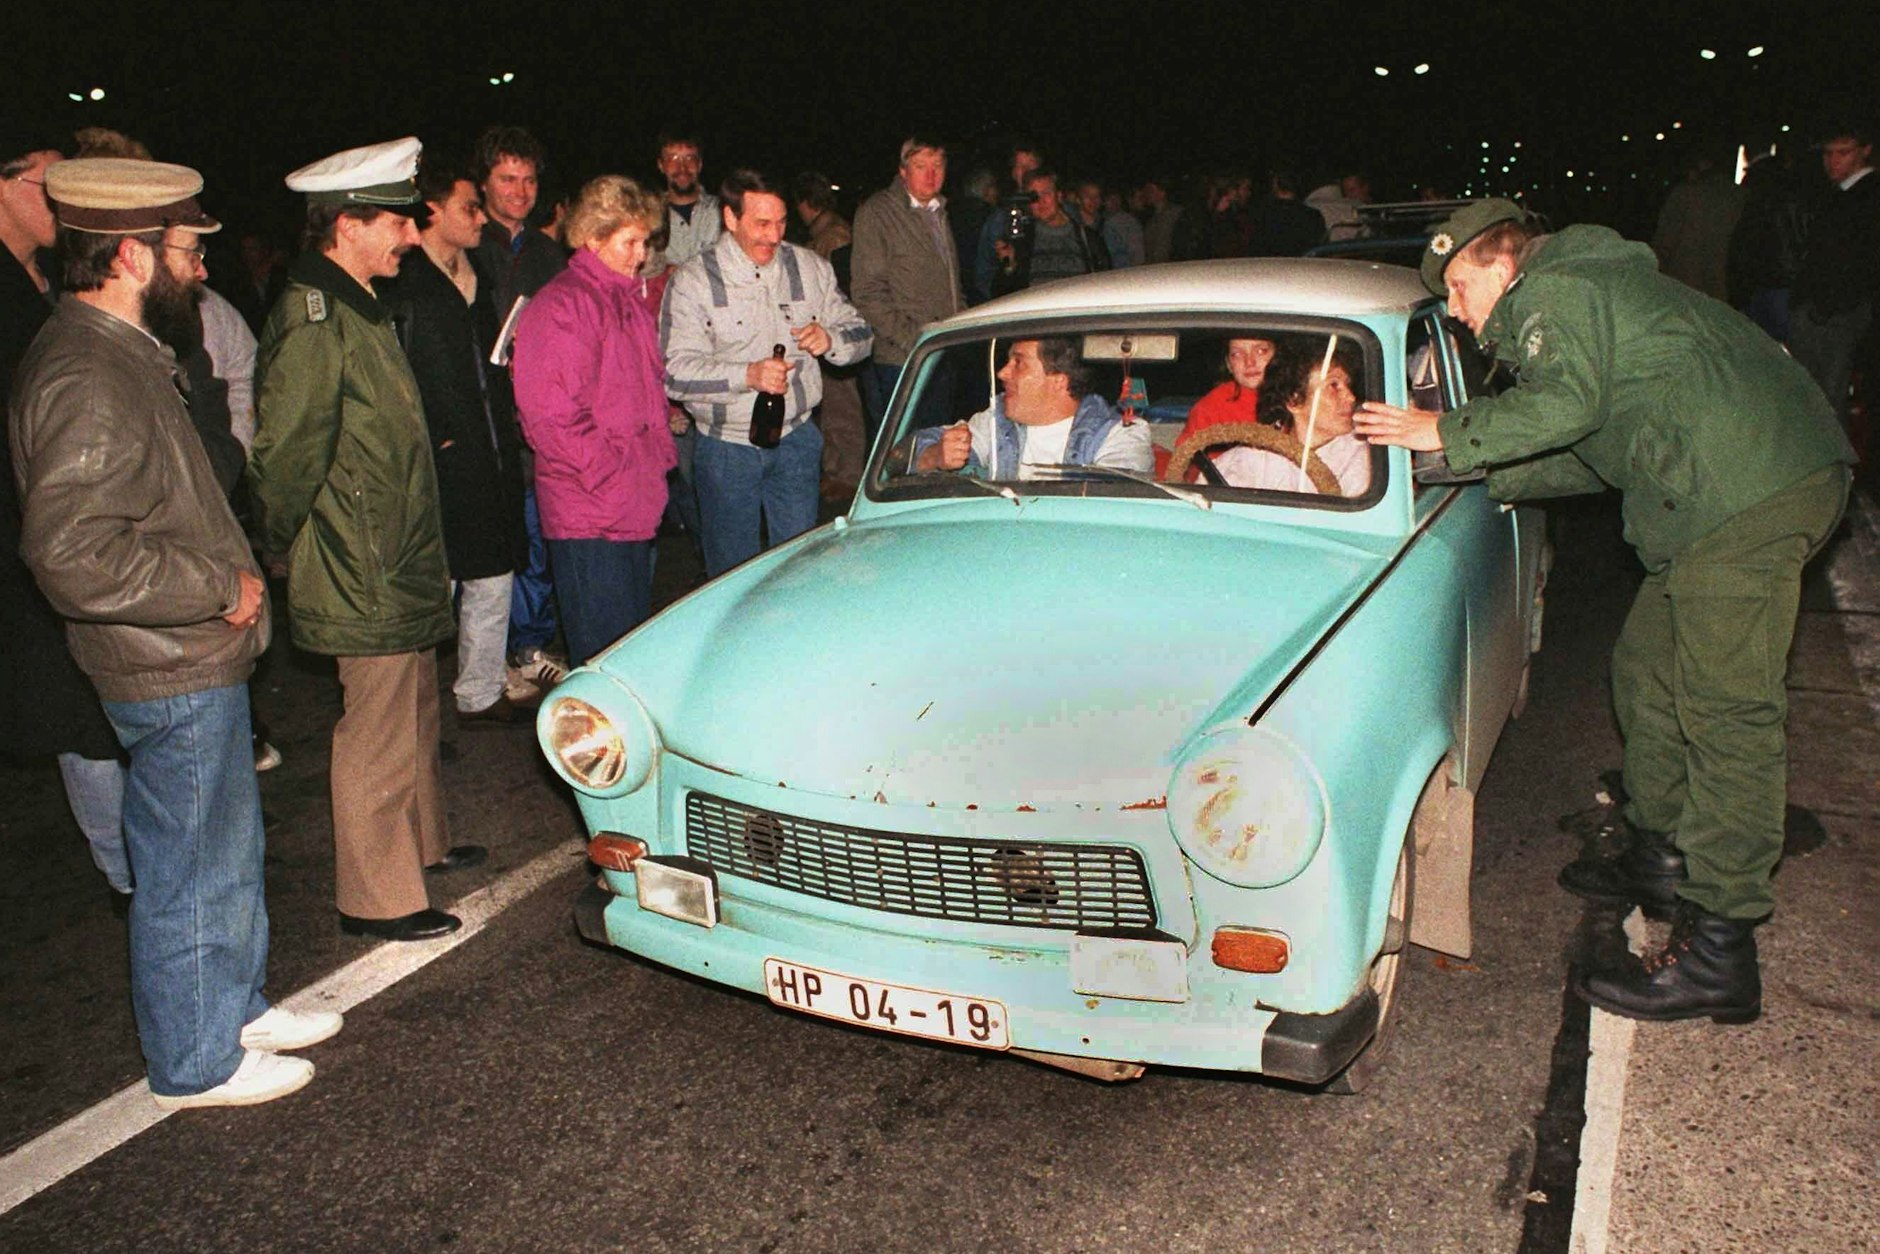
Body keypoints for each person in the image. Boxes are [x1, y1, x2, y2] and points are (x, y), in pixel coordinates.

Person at [1353, 199, 1855, 1024]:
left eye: (1458, 287)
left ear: (1501, 265)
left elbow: (1566, 408)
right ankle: (1657, 855)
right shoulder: (1588, 302)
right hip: (1717, 493)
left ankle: (1723, 949)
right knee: (1646, 673)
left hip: (1747, 492)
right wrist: (1467, 468)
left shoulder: (1559, 294)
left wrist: (1441, 428)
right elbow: (1588, 450)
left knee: (1727, 711)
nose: (1456, 310)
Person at [12, 157, 340, 1108]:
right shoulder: (84, 369)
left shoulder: (117, 348)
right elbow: (70, 552)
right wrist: (214, 585)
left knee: (220, 850)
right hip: (166, 659)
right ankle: (195, 1061)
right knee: (186, 867)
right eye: (187, 250)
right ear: (130, 254)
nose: (201, 267)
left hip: (188, 657)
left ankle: (229, 1005)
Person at [251, 137, 484, 943]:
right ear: (347, 225)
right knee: (377, 728)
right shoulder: (314, 316)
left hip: (397, 547)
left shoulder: (355, 301)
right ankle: (376, 897)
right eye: (397, 222)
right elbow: (286, 454)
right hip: (361, 558)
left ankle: (424, 845)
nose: (411, 237)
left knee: (414, 708)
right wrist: (272, 548)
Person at [661, 169, 873, 578]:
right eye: (761, 223)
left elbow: (862, 333)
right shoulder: (693, 281)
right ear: (730, 218)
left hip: (797, 441)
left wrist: (831, 339)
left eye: (781, 223)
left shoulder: (810, 267)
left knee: (796, 569)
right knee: (731, 575)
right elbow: (675, 373)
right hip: (726, 449)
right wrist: (748, 376)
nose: (774, 237)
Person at [377, 161, 529, 725]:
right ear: (432, 210)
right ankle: (411, 715)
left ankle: (479, 693)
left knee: (494, 573)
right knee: (434, 584)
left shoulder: (479, 272)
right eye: (470, 206)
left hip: (490, 448)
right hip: (439, 453)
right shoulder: (404, 280)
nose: (481, 218)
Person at [511, 176, 675, 666]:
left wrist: (656, 459)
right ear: (594, 239)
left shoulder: (623, 300)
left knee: (628, 649)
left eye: (645, 241)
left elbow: (642, 395)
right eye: (630, 242)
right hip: (591, 509)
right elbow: (549, 417)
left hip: (630, 502)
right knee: (603, 658)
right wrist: (612, 472)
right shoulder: (563, 306)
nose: (641, 254)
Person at [473, 125, 569, 702]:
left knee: (537, 531)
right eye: (507, 178)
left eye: (529, 179)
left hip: (535, 417)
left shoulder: (548, 253)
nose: (519, 189)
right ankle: (488, 660)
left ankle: (529, 647)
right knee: (489, 543)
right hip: (480, 418)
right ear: (483, 182)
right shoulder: (462, 244)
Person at [850, 137, 962, 445]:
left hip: (942, 354)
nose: (931, 175)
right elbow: (867, 295)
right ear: (903, 171)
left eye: (937, 165)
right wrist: (916, 341)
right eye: (920, 166)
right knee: (901, 452)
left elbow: (950, 286)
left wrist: (962, 332)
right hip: (900, 360)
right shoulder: (877, 213)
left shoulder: (939, 211)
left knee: (934, 449)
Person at [913, 336, 1153, 479]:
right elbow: (907, 451)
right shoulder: (997, 421)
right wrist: (934, 455)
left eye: (1018, 363)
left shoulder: (1122, 435)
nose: (1002, 372)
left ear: (1059, 379)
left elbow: (1108, 511)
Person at [1787, 121, 1878, 433]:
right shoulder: (1839, 195)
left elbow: (1858, 260)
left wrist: (1828, 305)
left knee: (1825, 394)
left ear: (1864, 152)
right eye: (1828, 154)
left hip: (1835, 311)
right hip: (1823, 307)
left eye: (1842, 153)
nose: (1833, 161)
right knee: (1815, 393)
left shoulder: (1864, 198)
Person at [791, 170, 868, 499]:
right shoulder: (825, 233)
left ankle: (847, 475)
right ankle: (836, 471)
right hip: (820, 335)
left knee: (843, 407)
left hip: (835, 333)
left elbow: (842, 290)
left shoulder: (833, 236)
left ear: (807, 204)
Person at [1214, 337, 1371, 496]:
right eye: (1334, 386)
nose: (1350, 397)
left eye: (1348, 385)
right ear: (1294, 401)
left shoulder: (1364, 457)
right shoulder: (1249, 460)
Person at [1158, 336, 1276, 480]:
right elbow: (1184, 468)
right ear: (1229, 364)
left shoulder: (1299, 401)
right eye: (1237, 354)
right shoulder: (1209, 408)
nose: (1249, 362)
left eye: (1260, 351)